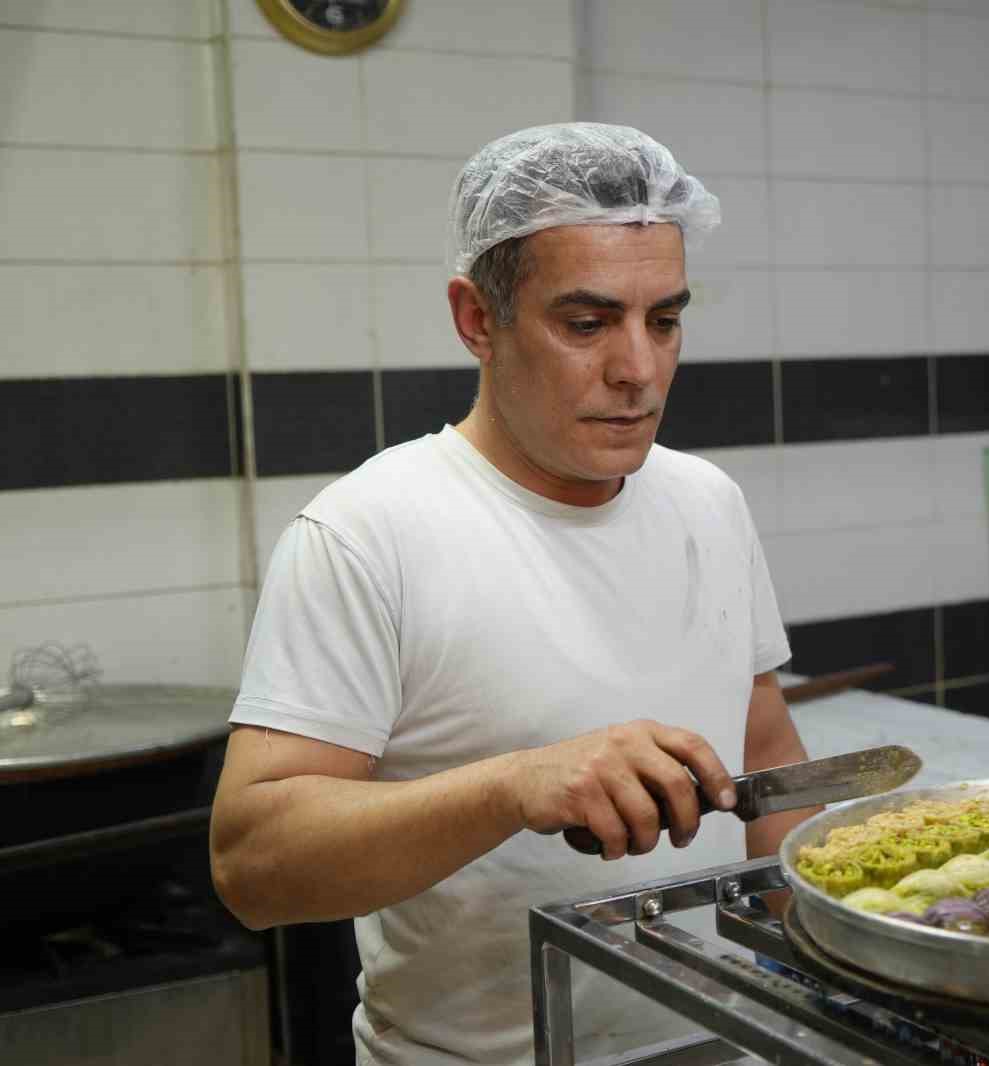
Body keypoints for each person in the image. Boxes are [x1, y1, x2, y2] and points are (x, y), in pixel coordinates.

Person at [209, 123, 812, 1065]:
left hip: (724, 1039)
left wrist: (849, 955)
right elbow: (254, 865)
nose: (638, 370)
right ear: (476, 319)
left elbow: (765, 760)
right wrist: (515, 784)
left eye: (664, 320)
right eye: (586, 322)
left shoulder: (707, 502)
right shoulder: (370, 534)